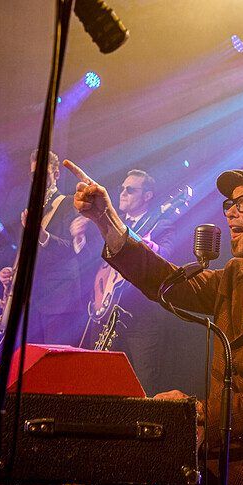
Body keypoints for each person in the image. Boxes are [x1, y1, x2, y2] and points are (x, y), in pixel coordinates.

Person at [64, 160, 243, 485]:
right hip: (220, 463)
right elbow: (168, 281)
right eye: (229, 204)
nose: (230, 212)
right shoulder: (237, 274)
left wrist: (201, 413)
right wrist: (106, 220)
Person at [78, 169, 177, 395]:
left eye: (130, 190)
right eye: (122, 188)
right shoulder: (112, 223)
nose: (122, 193)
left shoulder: (161, 224)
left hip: (141, 319)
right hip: (105, 313)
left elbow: (167, 257)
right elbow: (92, 262)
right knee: (101, 383)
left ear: (147, 196)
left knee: (145, 386)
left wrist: (146, 245)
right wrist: (79, 237)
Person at [0, 150, 87, 345]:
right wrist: (12, 272)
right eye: (33, 175)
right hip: (30, 301)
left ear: (56, 174)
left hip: (59, 299)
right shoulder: (32, 209)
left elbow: (71, 249)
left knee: (52, 367)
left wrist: (42, 234)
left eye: (43, 173)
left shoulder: (67, 203)